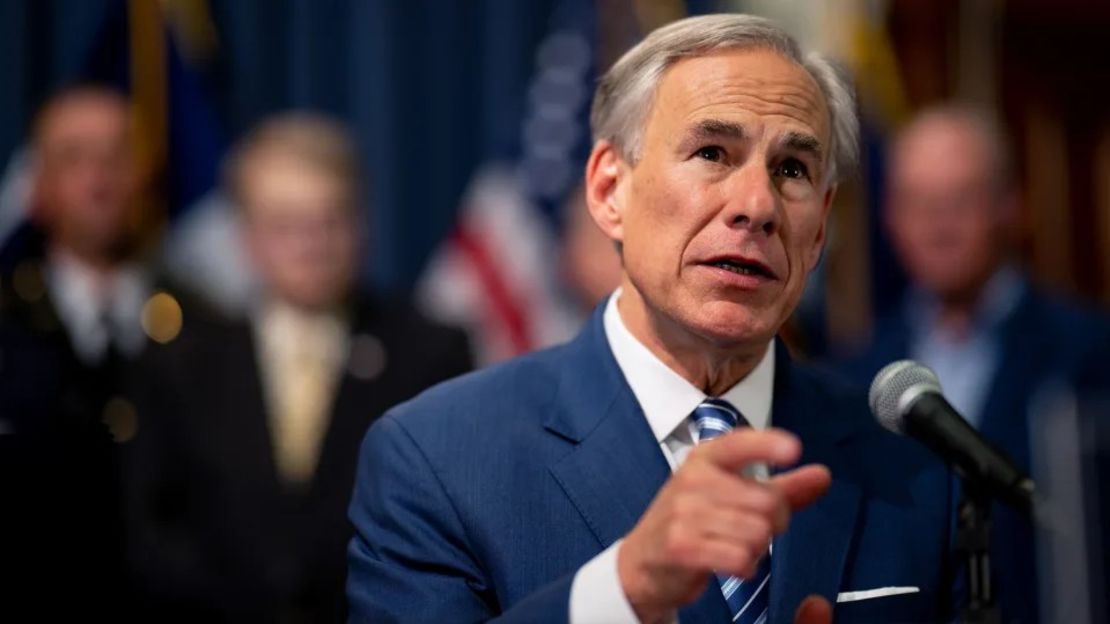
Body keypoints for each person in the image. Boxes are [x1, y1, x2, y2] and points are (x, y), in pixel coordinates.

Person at [348, 14, 954, 624]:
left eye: (792, 168)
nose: (758, 205)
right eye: (712, 152)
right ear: (611, 191)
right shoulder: (437, 459)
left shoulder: (913, 466)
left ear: (820, 225)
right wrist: (622, 593)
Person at [124, 113, 473, 622]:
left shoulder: (430, 352)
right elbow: (149, 533)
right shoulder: (180, 362)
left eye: (331, 219)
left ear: (362, 224)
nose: (312, 244)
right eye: (286, 224)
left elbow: (446, 525)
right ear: (246, 235)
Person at [836, 105, 1110, 622]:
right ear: (891, 217)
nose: (939, 226)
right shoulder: (857, 374)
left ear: (1012, 206)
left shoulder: (1090, 352)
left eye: (960, 200)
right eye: (918, 202)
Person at [0, 84, 172, 617]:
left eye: (117, 156)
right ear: (39, 185)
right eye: (74, 158)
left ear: (146, 177)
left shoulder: (205, 329)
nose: (98, 181)